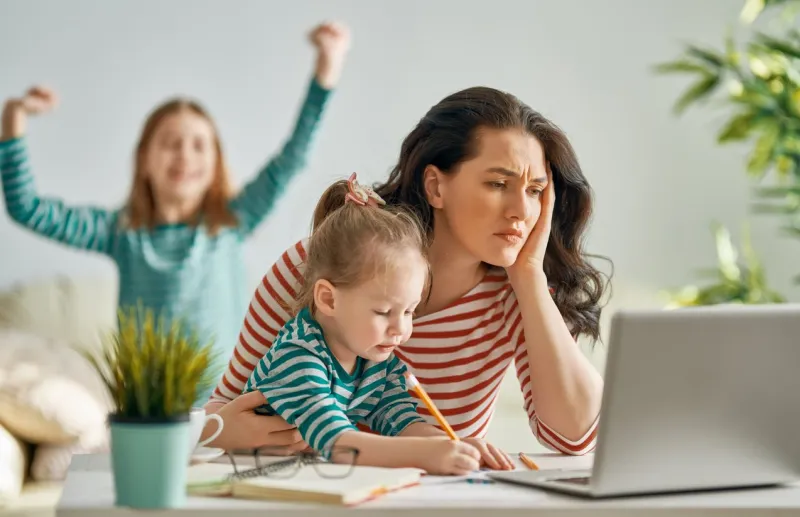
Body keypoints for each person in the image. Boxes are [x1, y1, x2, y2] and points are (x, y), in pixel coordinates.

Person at [205, 85, 609, 462]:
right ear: (435, 186)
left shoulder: (516, 293)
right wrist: (221, 432)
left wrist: (530, 277)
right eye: (498, 183)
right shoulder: (316, 267)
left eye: (535, 191)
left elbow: (574, 438)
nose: (521, 210)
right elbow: (220, 411)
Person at [0, 22, 351, 401]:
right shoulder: (121, 232)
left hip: (228, 405)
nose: (185, 154)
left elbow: (293, 158)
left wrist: (326, 69)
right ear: (145, 161)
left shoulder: (232, 222)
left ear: (216, 163)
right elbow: (27, 208)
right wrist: (13, 119)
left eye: (199, 145)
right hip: (149, 409)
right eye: (170, 143)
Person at [243, 173, 514, 474]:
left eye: (410, 311)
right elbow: (337, 444)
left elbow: (401, 422)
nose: (401, 330)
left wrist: (454, 444)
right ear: (329, 300)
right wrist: (425, 454)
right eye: (384, 312)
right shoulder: (297, 358)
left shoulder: (372, 359)